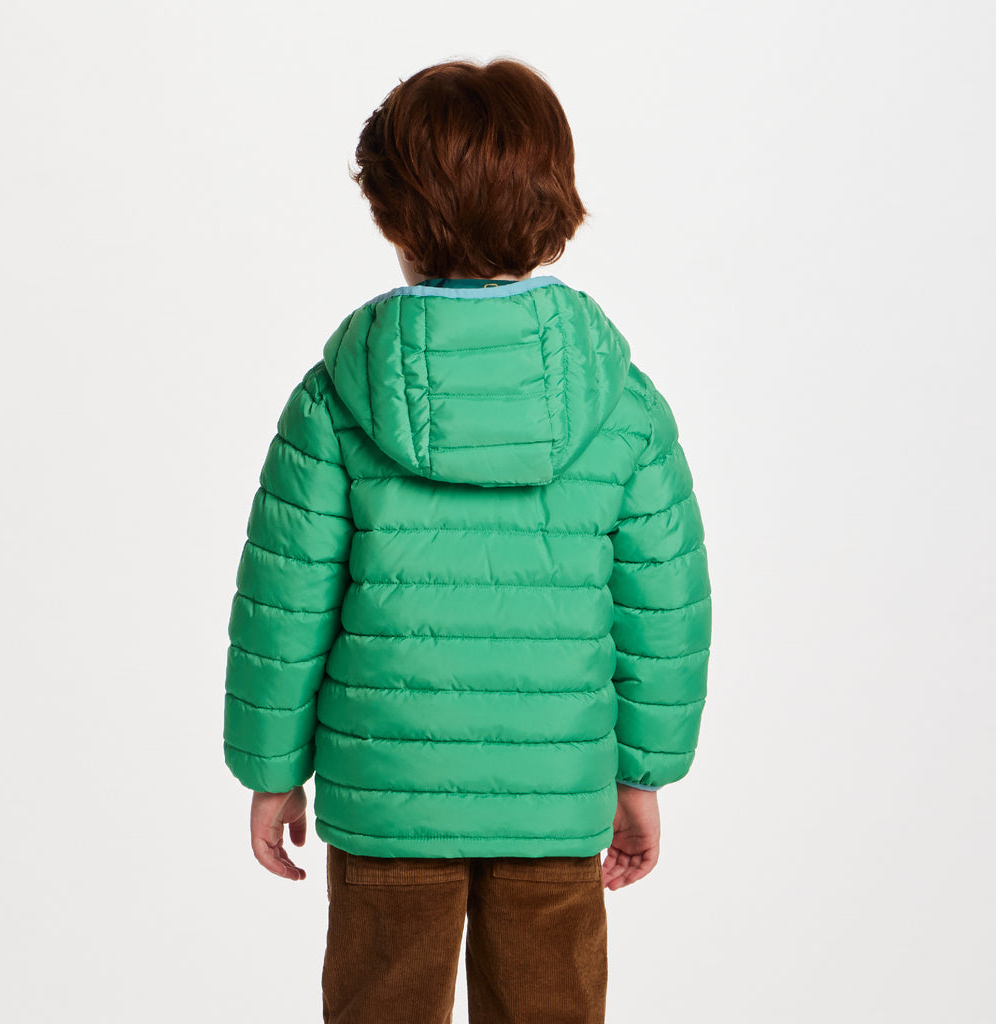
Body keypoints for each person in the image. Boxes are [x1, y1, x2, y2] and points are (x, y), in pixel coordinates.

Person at [223, 57, 712, 1024]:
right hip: (556, 793)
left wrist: (273, 771)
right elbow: (663, 609)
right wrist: (640, 772)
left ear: (392, 216)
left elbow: (284, 605)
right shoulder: (622, 403)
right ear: (554, 202)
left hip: (387, 796)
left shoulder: (335, 401)